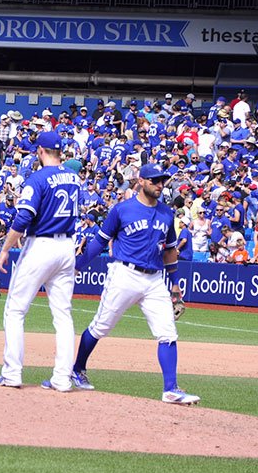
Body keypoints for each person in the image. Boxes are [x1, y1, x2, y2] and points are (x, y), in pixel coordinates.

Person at [73, 163, 200, 405]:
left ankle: (171, 388)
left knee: (167, 332)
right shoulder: (122, 210)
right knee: (101, 327)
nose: (160, 185)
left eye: (162, 181)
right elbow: (100, 242)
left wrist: (175, 285)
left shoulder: (166, 213)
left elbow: (170, 252)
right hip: (124, 274)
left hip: (154, 279)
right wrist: (77, 266)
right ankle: (77, 369)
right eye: (154, 180)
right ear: (140, 181)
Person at [0, 131, 79, 392]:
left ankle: (12, 373)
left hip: (42, 245)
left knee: (15, 310)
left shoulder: (37, 178)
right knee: (62, 315)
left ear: (40, 151)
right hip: (67, 247)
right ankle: (62, 379)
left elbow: (23, 219)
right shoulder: (74, 178)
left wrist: (5, 248)